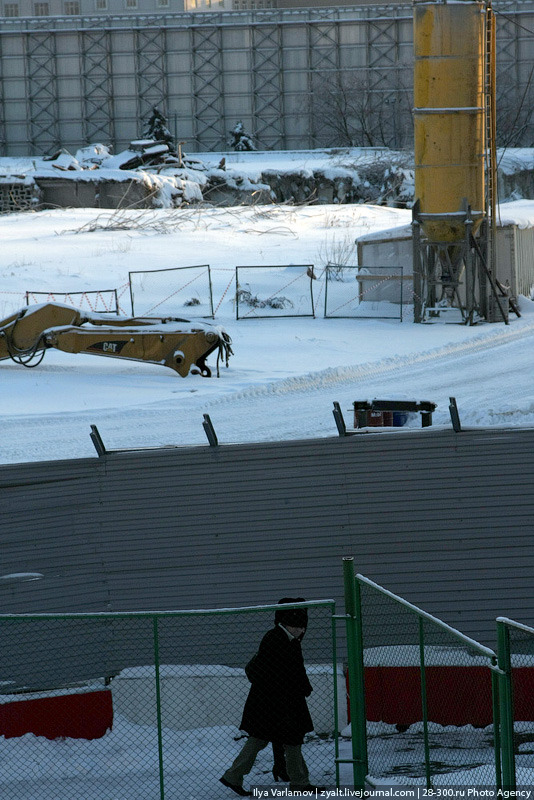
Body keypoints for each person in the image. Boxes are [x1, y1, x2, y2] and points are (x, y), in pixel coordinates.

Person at [220, 597, 324, 796]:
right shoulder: (278, 640)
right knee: (289, 740)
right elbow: (287, 673)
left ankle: (234, 776)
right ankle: (299, 783)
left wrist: (302, 687)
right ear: (291, 625)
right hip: (278, 703)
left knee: (266, 739)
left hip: (272, 703)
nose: (303, 631)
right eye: (301, 627)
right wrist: (302, 687)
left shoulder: (281, 638)